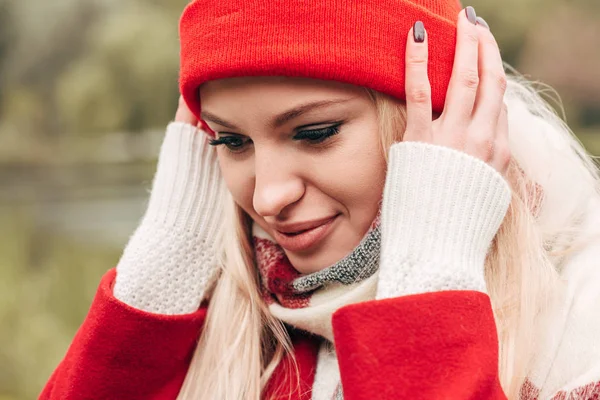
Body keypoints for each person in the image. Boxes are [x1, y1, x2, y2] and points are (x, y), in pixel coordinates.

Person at [40, 0, 600, 399]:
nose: (267, 195)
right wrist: (161, 268)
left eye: (314, 132)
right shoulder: (225, 313)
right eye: (232, 141)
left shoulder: (580, 317)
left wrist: (427, 285)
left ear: (440, 118)